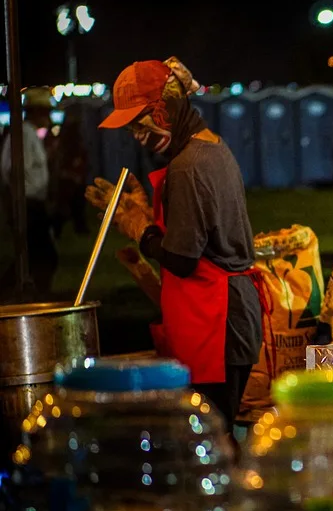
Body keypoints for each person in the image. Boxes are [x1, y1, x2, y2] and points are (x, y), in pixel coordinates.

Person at [86, 58, 263, 436]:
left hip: (219, 323)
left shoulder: (189, 165)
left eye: (138, 122)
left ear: (165, 110)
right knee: (217, 434)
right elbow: (198, 232)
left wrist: (137, 227)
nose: (136, 134)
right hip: (228, 318)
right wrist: (150, 215)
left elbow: (182, 260)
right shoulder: (210, 147)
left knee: (210, 438)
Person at [1, 87, 58, 296]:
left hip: (32, 203)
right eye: (46, 112)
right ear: (36, 112)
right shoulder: (23, 134)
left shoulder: (29, 134)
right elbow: (11, 168)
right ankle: (36, 297)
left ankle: (27, 295)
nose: (50, 117)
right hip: (27, 204)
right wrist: (18, 197)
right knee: (42, 257)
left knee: (33, 257)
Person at [49, 104, 91, 236]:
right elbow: (68, 154)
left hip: (71, 174)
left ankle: (77, 228)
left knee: (75, 205)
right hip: (69, 176)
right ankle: (59, 228)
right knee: (67, 206)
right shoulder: (69, 135)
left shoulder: (70, 134)